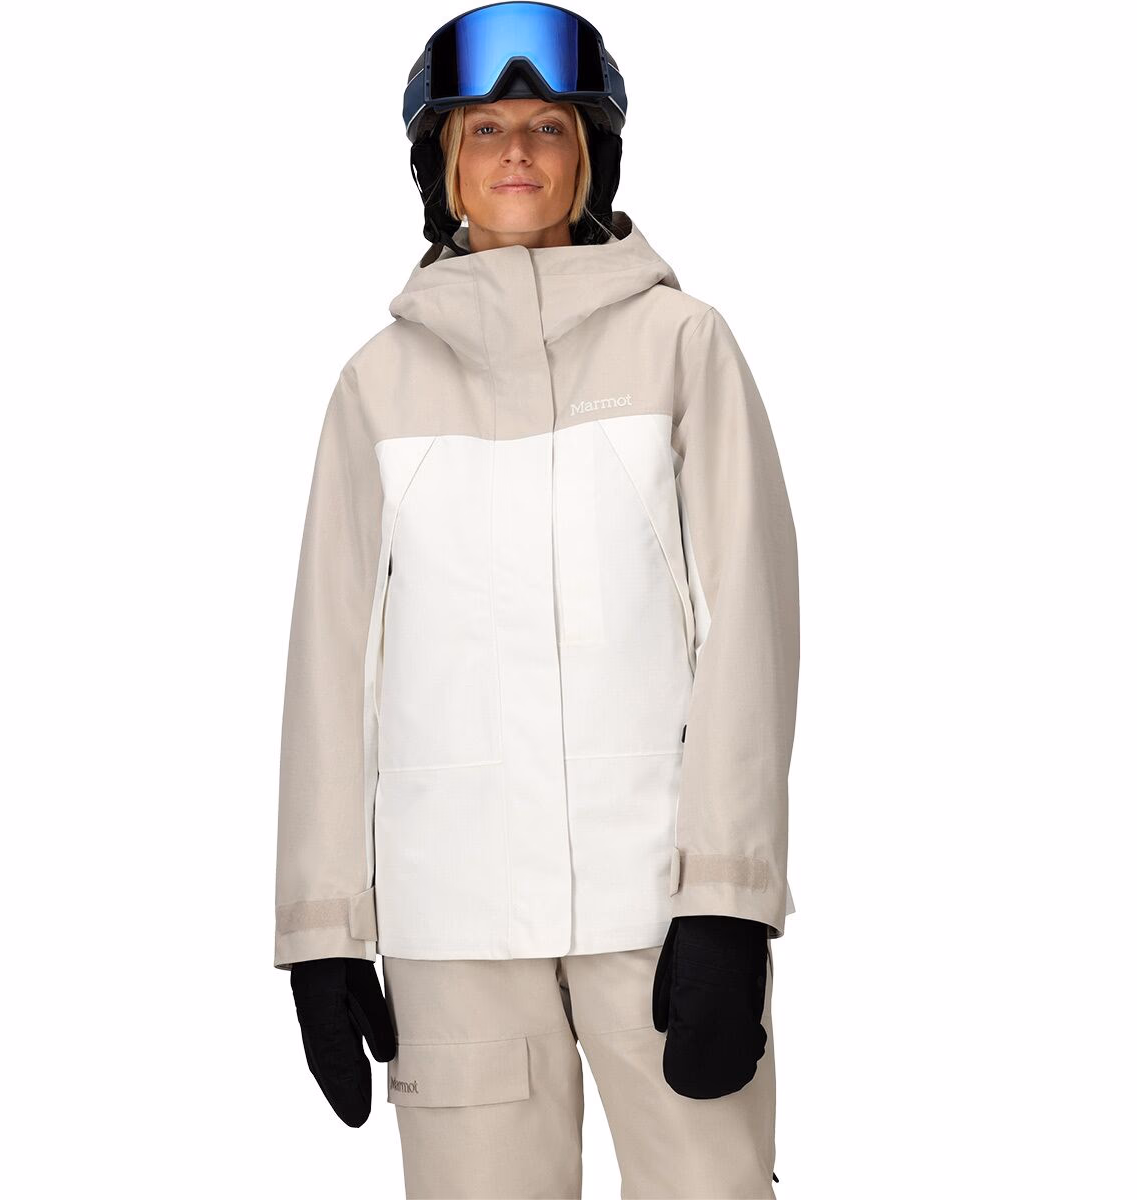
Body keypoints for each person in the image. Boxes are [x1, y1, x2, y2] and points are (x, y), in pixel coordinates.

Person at [274, 4, 800, 1197]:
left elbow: (749, 636)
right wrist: (321, 933)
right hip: (451, 927)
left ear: (590, 156)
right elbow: (331, 665)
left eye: (549, 127)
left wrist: (730, 903)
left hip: (660, 921)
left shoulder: (683, 348)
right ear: (444, 166)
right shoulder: (377, 386)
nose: (517, 150)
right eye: (486, 129)